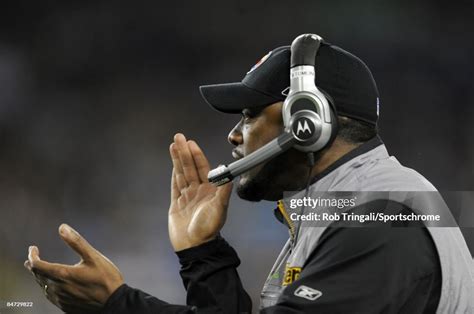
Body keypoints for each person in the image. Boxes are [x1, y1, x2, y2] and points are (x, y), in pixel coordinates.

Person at [25, 36, 474, 313]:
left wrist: (118, 304)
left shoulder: (384, 217)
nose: (234, 135)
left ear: (307, 121)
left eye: (247, 115)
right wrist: (204, 255)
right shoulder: (350, 207)